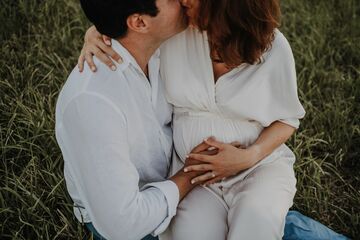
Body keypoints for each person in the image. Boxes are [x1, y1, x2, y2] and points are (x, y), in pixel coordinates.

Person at [78, 0, 307, 239]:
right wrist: (96, 31)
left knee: (254, 228)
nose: (182, 0)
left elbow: (287, 119)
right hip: (195, 177)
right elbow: (131, 27)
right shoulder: (177, 34)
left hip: (257, 170)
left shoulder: (273, 48)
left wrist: (248, 157)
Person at [55, 0, 211, 239]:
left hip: (180, 183)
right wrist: (192, 175)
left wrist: (99, 28)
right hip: (142, 217)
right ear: (139, 22)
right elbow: (123, 225)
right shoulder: (91, 102)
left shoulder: (163, 42)